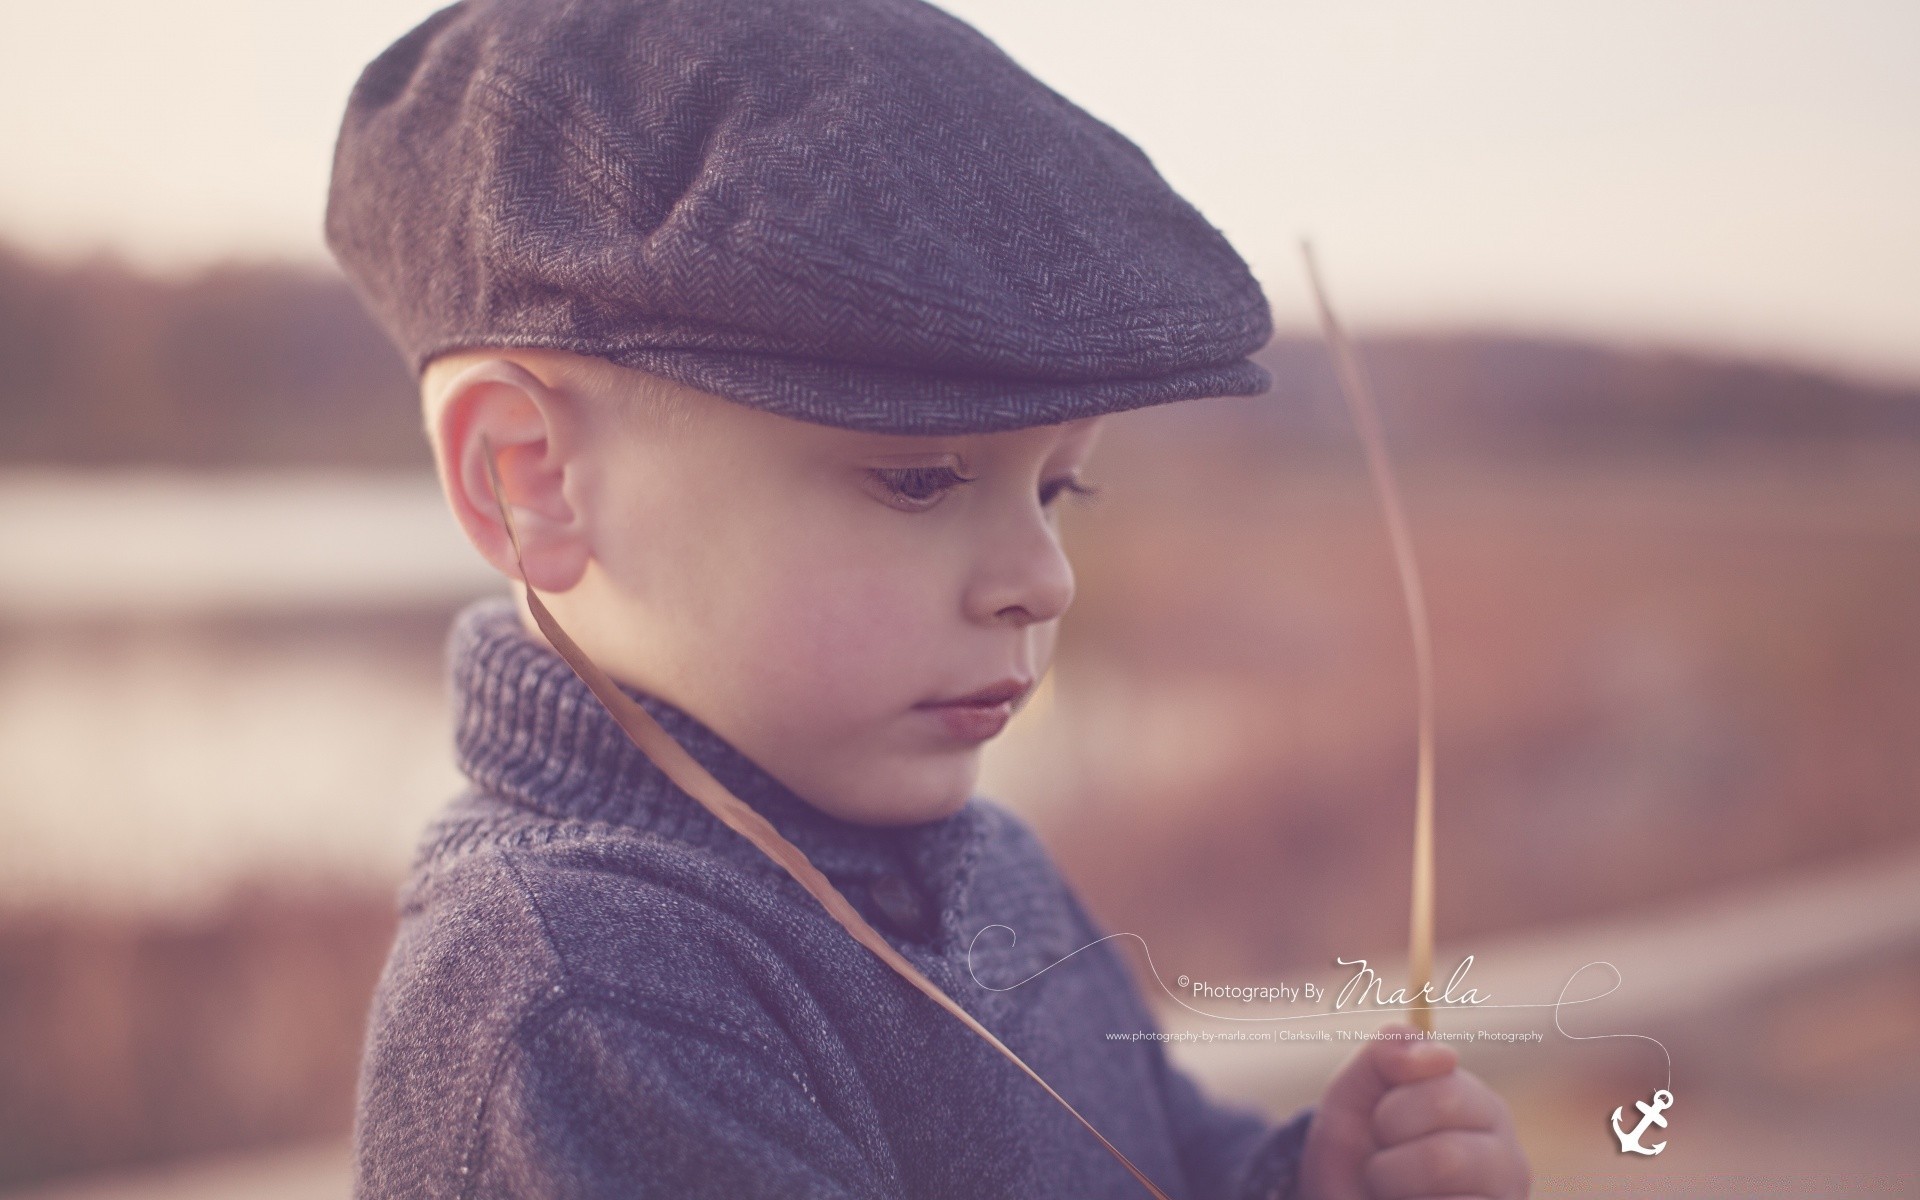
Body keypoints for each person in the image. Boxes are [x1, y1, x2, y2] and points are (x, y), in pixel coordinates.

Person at [325, 1, 1532, 1197]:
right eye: (915, 477)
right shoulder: (586, 995)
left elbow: (1159, 1157)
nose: (1042, 580)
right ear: (527, 478)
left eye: (1062, 489)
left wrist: (1303, 1183)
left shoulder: (990, 866)